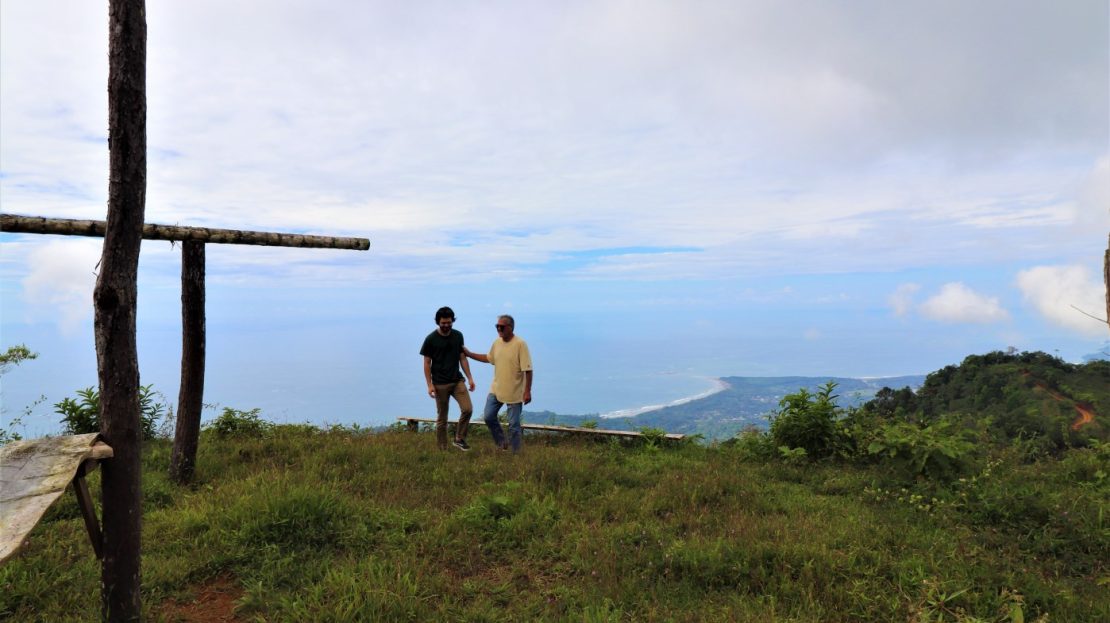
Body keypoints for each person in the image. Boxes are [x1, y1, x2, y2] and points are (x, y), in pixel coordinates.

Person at [464, 314, 533, 453]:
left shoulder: (520, 344)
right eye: (497, 326)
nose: (498, 329)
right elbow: (489, 358)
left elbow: (528, 370)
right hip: (496, 389)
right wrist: (469, 354)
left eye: (501, 327)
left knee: (514, 425)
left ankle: (516, 453)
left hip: (514, 392)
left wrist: (527, 391)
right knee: (488, 416)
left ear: (510, 327)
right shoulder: (497, 343)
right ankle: (502, 443)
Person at [420, 306, 477, 451]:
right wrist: (429, 385)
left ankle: (459, 439)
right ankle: (442, 448)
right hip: (439, 383)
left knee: (468, 409)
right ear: (437, 322)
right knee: (442, 418)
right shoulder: (431, 339)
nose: (446, 325)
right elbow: (427, 363)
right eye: (443, 323)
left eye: (449, 322)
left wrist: (470, 378)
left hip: (457, 380)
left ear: (453, 321)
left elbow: (462, 357)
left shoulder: (458, 335)